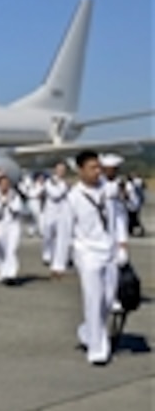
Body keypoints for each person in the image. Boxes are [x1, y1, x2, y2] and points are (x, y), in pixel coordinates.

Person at [63, 150, 129, 365]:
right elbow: (65, 229)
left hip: (108, 251)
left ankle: (87, 331)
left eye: (98, 167)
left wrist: (121, 242)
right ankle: (97, 351)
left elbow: (119, 215)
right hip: (87, 253)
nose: (97, 171)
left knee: (108, 300)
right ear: (81, 170)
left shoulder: (108, 190)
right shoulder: (73, 197)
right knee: (93, 299)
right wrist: (59, 261)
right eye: (92, 168)